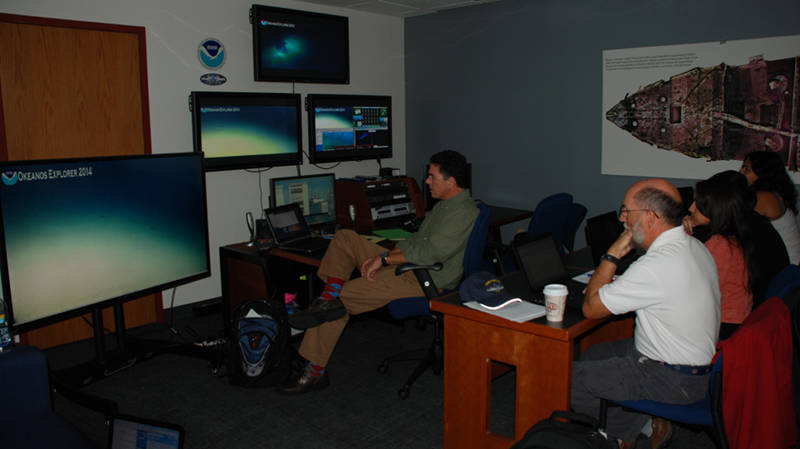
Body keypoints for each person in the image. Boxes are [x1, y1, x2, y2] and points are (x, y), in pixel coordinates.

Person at [278, 150, 479, 394]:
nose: (427, 181)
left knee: (342, 299)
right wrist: (388, 253)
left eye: (431, 176)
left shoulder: (463, 212)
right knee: (345, 238)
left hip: (424, 277)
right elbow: (417, 240)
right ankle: (325, 299)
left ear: (451, 181)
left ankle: (314, 371)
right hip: (407, 263)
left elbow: (431, 254)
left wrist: (383, 259)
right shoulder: (445, 206)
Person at [571, 179, 720, 449]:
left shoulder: (656, 265)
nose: (622, 218)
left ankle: (622, 436)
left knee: (565, 380)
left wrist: (614, 252)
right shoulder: (694, 246)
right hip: (692, 370)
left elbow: (590, 308)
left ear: (651, 217)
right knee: (594, 354)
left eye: (627, 211)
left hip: (670, 379)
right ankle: (643, 425)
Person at [683, 171, 789, 339]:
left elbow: (690, 288)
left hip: (725, 325)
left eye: (698, 204)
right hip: (743, 315)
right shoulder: (743, 228)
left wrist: (681, 236)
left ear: (716, 208)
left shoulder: (723, 244)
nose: (690, 208)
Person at [740, 150, 800, 264]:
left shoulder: (765, 197)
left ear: (763, 174)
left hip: (788, 268)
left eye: (746, 169)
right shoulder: (774, 194)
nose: (740, 172)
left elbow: (735, 222)